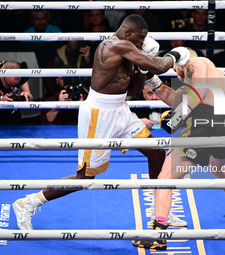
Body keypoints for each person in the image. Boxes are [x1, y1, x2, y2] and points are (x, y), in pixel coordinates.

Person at [12, 14, 190, 230]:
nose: (142, 43)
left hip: (120, 110)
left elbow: (133, 90)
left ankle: (160, 212)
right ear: (129, 32)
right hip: (98, 114)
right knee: (85, 176)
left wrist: (143, 68)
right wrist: (177, 54)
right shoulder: (115, 46)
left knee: (156, 152)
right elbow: (161, 66)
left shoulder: (130, 51)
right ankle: (29, 202)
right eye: (141, 38)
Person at [132, 52, 225, 250]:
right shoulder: (196, 80)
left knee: (166, 177)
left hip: (206, 123)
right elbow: (174, 99)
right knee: (217, 166)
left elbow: (199, 92)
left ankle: (158, 233)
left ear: (180, 62)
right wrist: (150, 78)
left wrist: (176, 117)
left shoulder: (198, 63)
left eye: (174, 68)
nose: (175, 72)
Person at [0, 61, 32, 125]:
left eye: (15, 85)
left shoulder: (19, 71)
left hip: (14, 117)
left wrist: (27, 96)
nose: (12, 88)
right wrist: (1, 102)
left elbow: (29, 95)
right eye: (9, 85)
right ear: (1, 76)